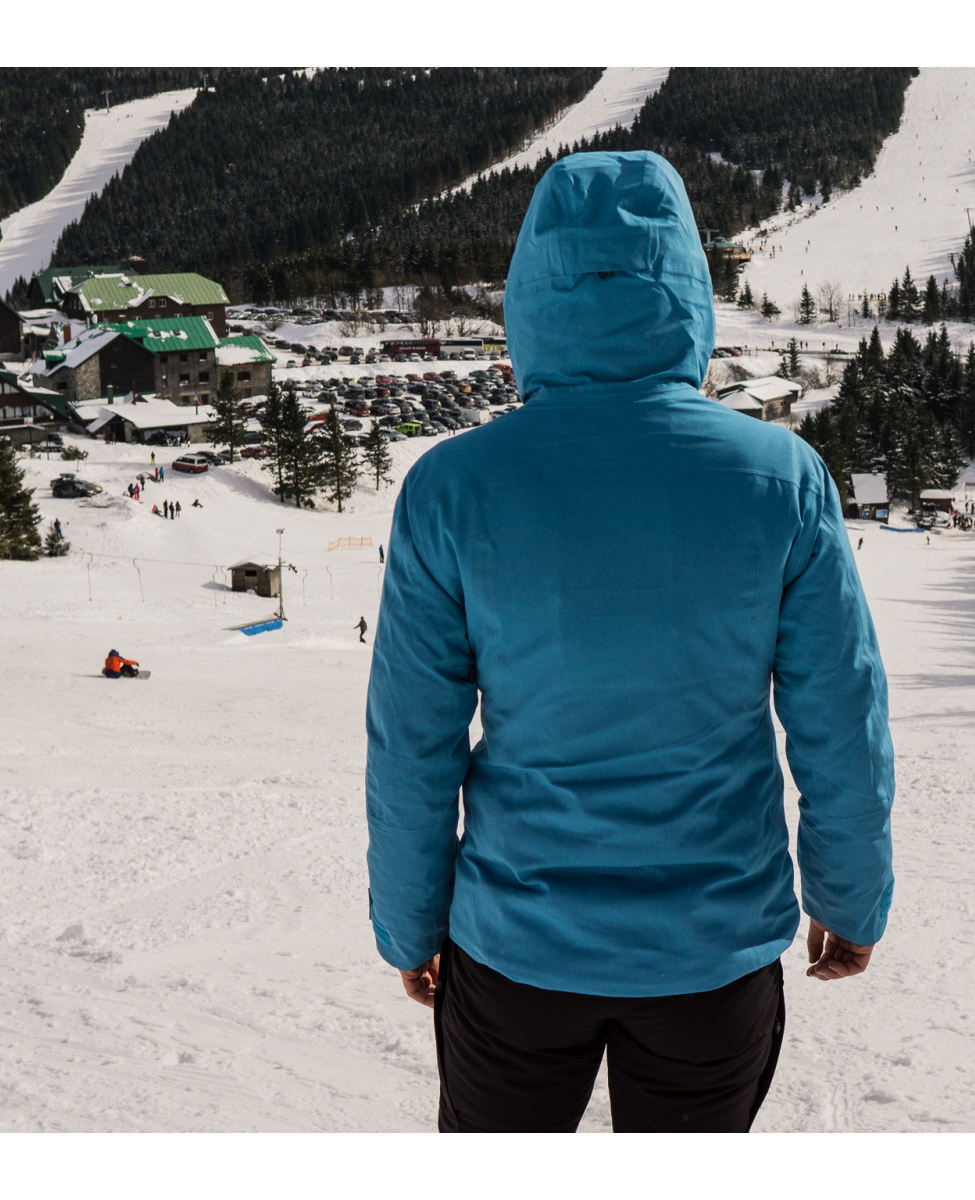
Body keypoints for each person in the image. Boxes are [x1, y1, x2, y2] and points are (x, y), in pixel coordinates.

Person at [366, 151, 893, 1135]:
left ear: (529, 295)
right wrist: (850, 896)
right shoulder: (778, 476)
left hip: (516, 951)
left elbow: (412, 742)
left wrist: (409, 920)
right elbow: (839, 714)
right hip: (711, 955)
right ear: (686, 287)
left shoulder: (453, 486)